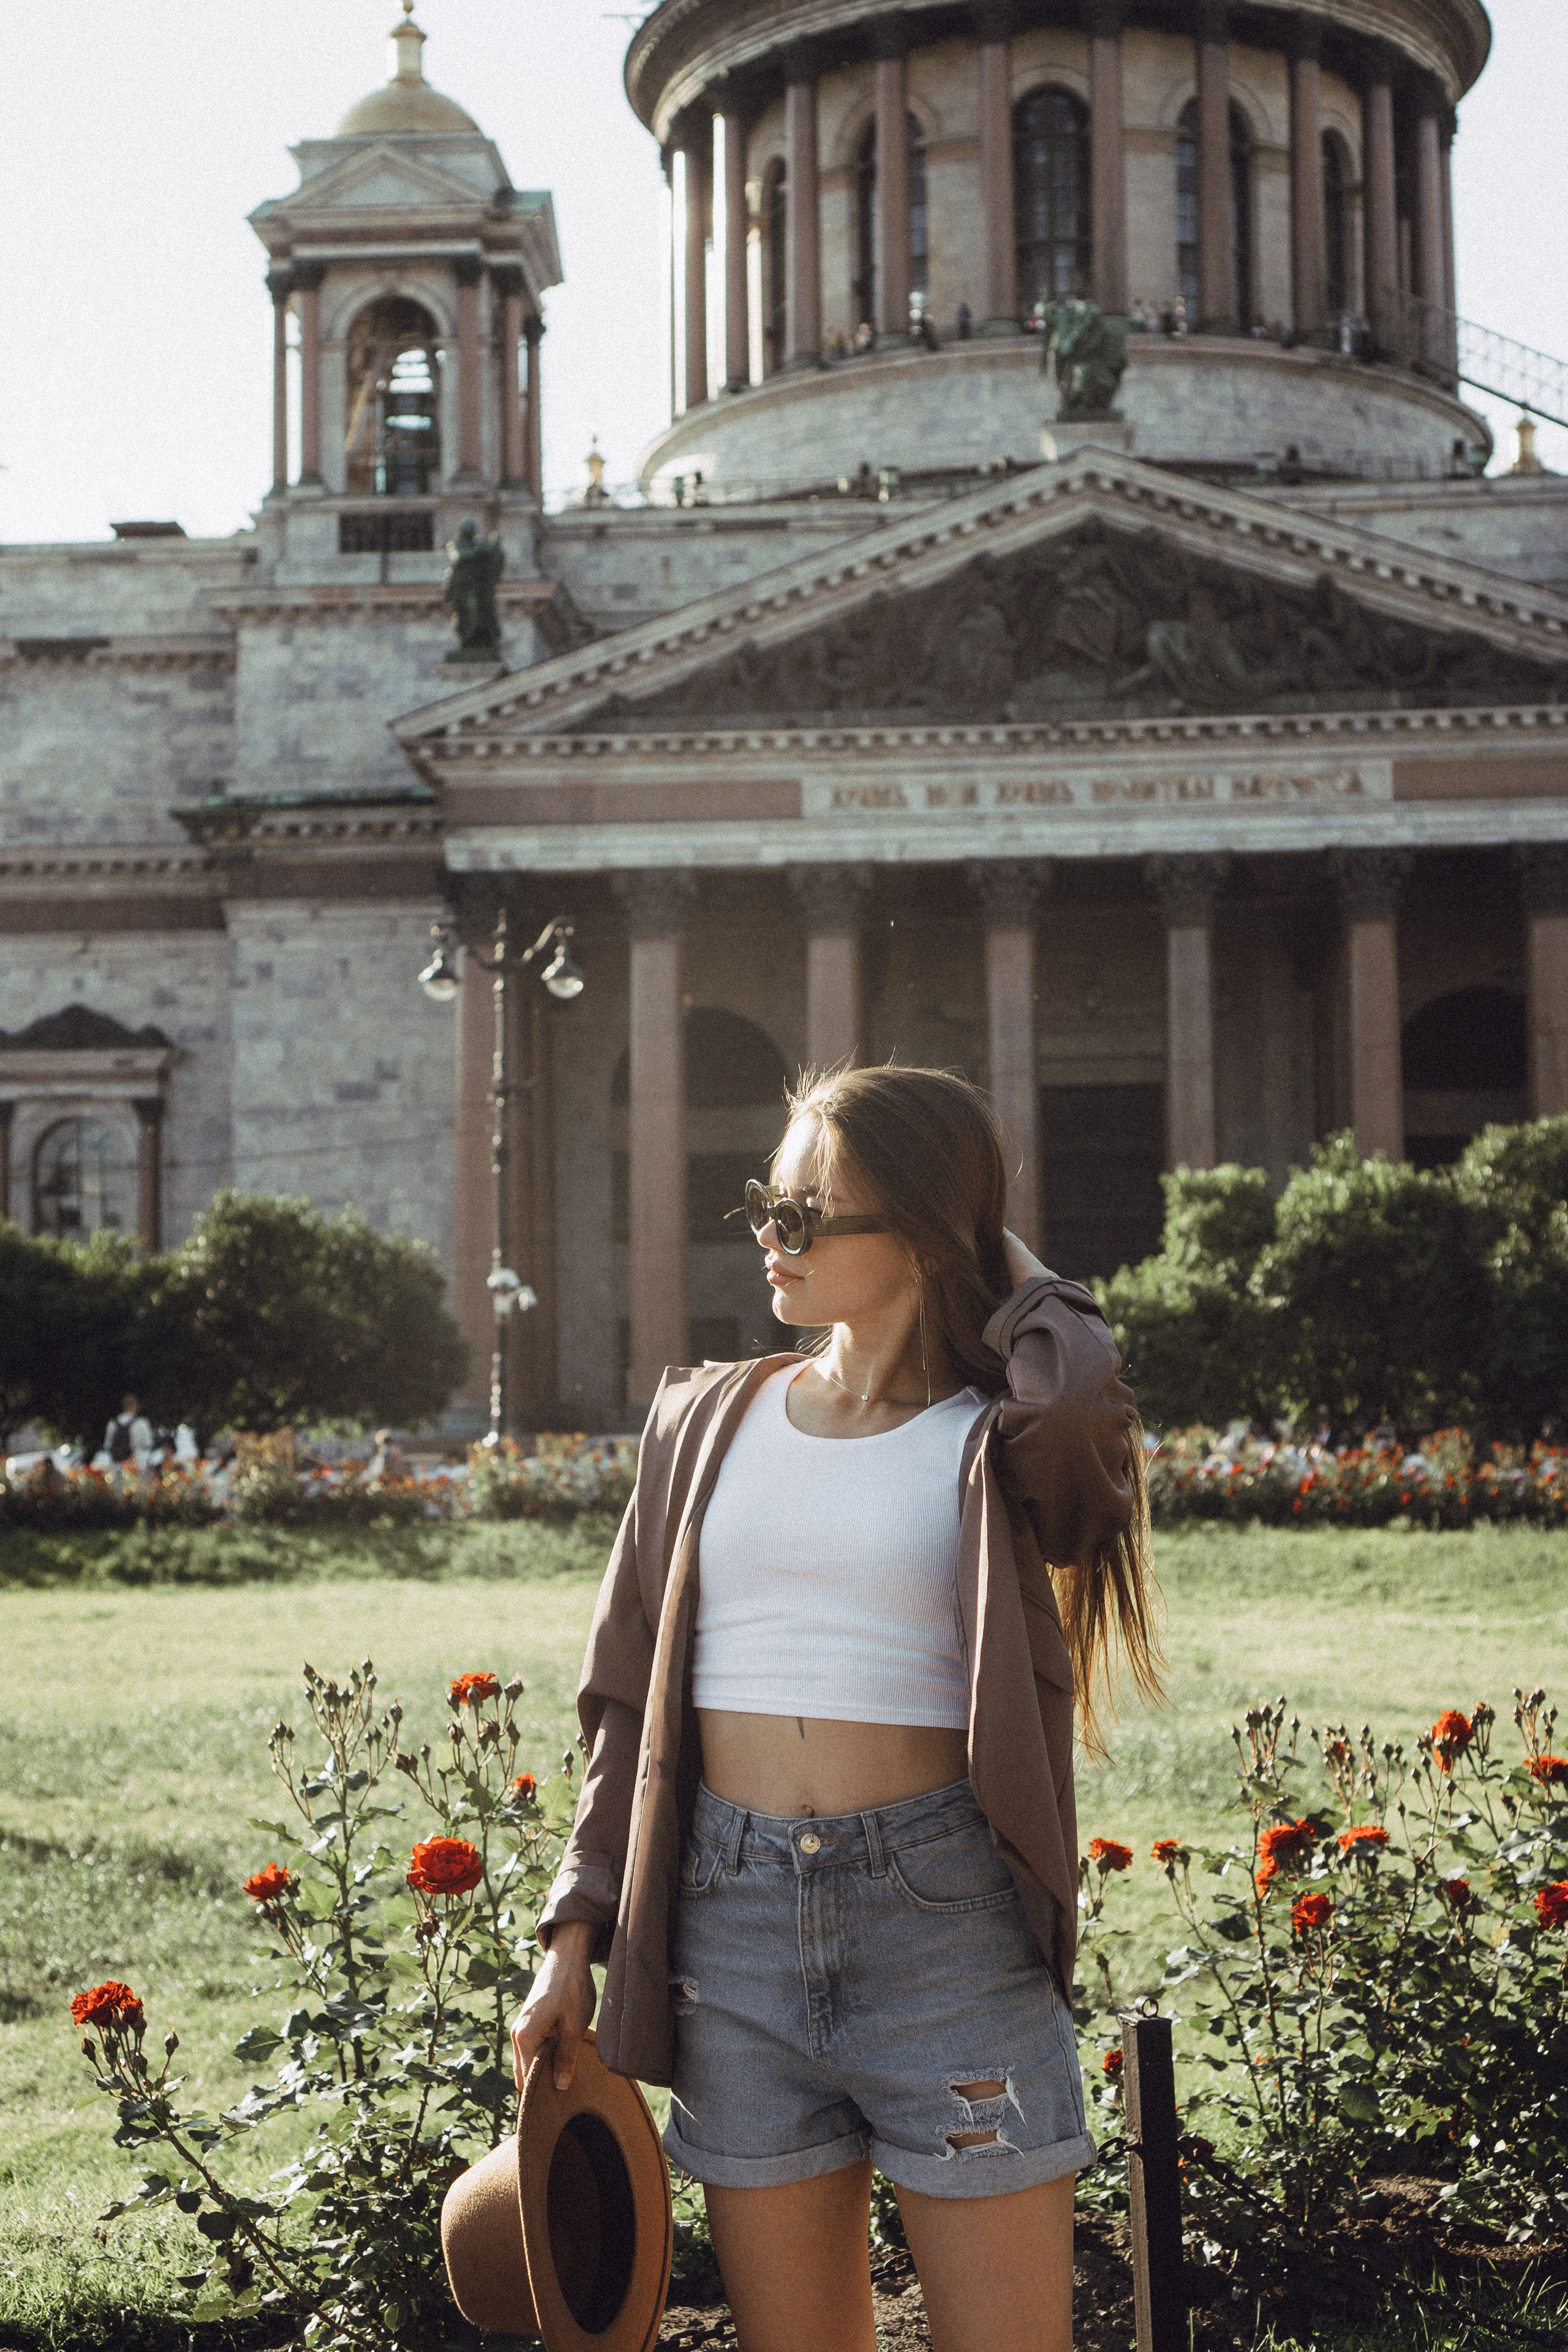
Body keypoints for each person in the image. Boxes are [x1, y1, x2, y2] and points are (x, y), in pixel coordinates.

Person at [513, 1066, 1159, 2352]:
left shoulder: (992, 1437)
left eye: (805, 1213)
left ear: (919, 1232)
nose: (769, 1234)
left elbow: (1085, 1409)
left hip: (945, 1930)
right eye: (766, 1201)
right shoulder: (703, 1420)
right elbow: (624, 1706)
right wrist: (571, 1934)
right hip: (731, 1932)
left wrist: (1003, 1261)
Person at [100, 1393, 154, 1472]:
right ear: (135, 1406)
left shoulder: (112, 1423)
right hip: (137, 1464)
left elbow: (108, 1445)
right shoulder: (142, 1423)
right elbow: (148, 1444)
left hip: (116, 1464)